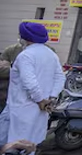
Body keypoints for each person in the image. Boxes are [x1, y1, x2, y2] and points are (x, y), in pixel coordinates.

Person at [6, 22, 65, 154]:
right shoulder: (51, 54)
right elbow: (60, 77)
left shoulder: (25, 56)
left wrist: (40, 101)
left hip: (22, 108)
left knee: (16, 146)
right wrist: (51, 98)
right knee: (31, 145)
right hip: (42, 109)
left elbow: (30, 82)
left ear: (25, 38)